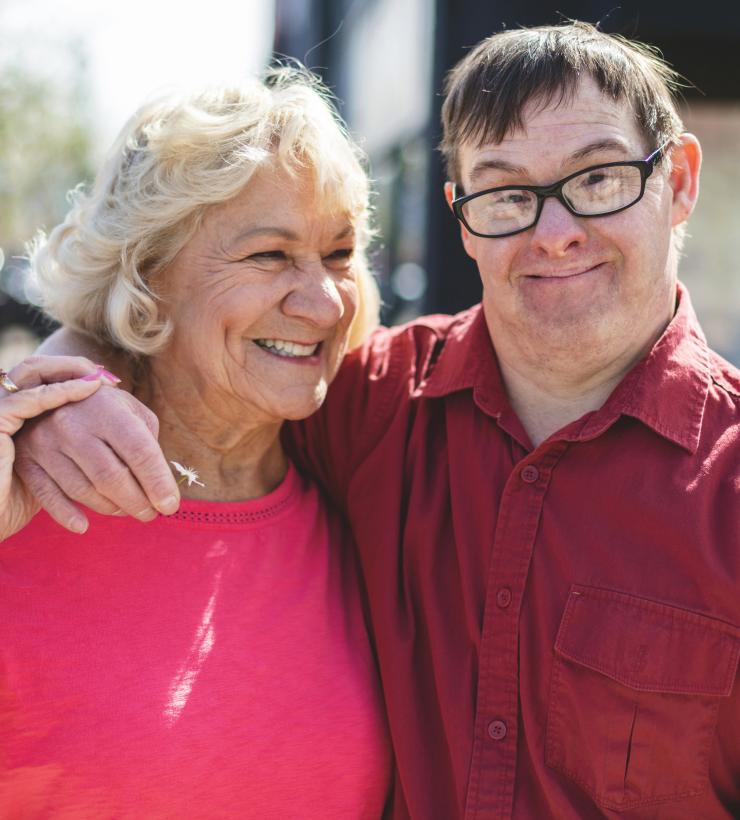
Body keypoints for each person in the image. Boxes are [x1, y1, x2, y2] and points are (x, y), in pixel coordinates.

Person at [16, 21, 740, 819]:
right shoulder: (375, 403)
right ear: (462, 217)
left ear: (678, 181)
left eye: (599, 179)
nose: (556, 233)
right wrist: (70, 386)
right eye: (507, 194)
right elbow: (191, 357)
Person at [0, 70, 393, 817]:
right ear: (147, 274)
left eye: (340, 253)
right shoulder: (20, 500)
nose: (322, 303)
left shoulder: (367, 485)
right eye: (269, 255)